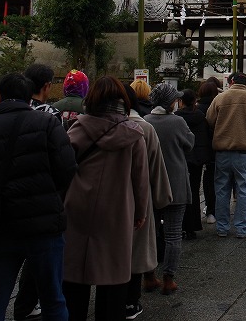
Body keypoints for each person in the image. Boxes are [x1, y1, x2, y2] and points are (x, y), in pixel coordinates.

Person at [0, 72, 77, 321]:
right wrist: (49, 196)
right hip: (43, 224)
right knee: (53, 298)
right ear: (29, 98)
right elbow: (67, 169)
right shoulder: (47, 123)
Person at [62, 75, 150, 321]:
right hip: (117, 209)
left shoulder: (77, 129)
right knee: (113, 276)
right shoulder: (133, 135)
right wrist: (140, 211)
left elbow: (64, 169)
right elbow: (140, 179)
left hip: (77, 205)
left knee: (74, 275)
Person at [13, 63, 59, 320]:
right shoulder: (50, 115)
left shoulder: (3, 112)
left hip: (8, 195)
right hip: (40, 195)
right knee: (39, 258)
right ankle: (29, 303)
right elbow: (62, 161)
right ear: (46, 86)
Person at [124, 83, 172, 319]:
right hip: (137, 199)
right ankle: (130, 302)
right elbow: (155, 168)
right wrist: (162, 198)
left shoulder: (81, 125)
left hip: (95, 202)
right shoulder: (143, 128)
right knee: (134, 250)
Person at [144, 83, 193, 296]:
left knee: (150, 233)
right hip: (175, 183)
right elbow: (189, 143)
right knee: (173, 234)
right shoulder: (177, 121)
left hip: (151, 184)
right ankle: (168, 279)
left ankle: (148, 276)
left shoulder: (145, 121)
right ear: (170, 102)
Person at [206, 72, 246, 238]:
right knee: (244, 190)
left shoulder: (220, 98)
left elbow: (209, 120)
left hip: (222, 151)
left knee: (221, 190)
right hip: (243, 151)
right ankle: (243, 228)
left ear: (231, 82)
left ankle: (222, 227)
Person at [175, 90, 211, 240]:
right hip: (196, 159)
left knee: (179, 192)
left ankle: (180, 224)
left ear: (181, 102)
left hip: (180, 159)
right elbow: (205, 138)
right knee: (194, 191)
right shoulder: (201, 117)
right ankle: (193, 224)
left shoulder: (176, 118)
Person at [196, 77, 222, 225]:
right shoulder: (218, 107)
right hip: (217, 147)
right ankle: (215, 210)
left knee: (204, 180)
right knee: (217, 179)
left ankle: (206, 210)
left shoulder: (196, 108)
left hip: (199, 149)